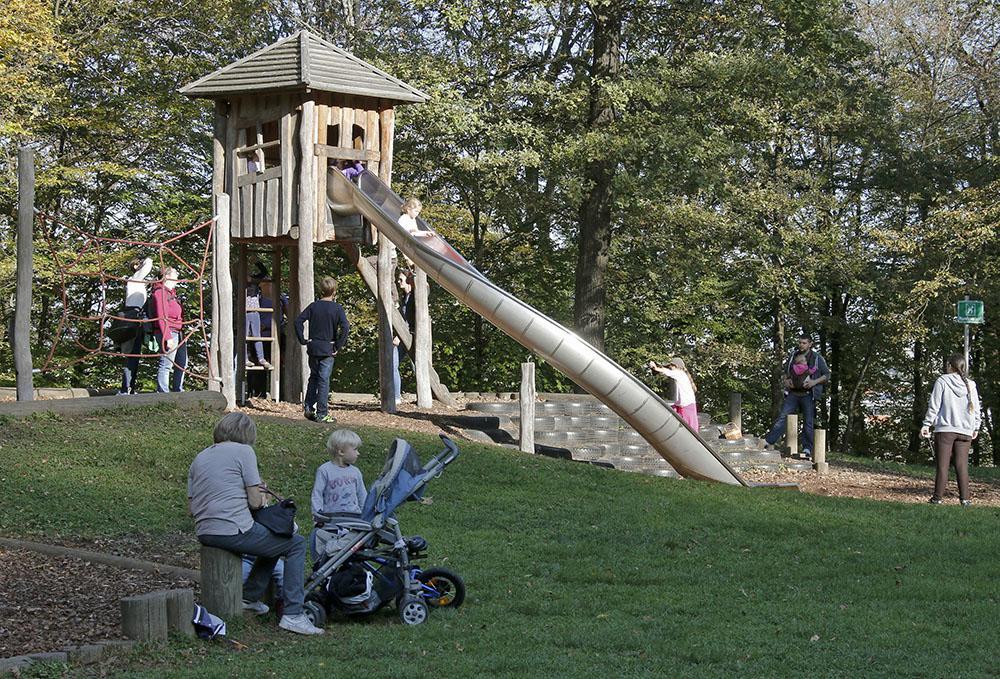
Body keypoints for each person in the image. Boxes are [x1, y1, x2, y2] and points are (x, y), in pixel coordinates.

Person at [188, 413, 323, 635]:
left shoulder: (199, 458)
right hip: (233, 529)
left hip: (205, 531)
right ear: (247, 434)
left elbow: (191, 508)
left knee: (272, 542)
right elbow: (255, 502)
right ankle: (293, 614)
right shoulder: (244, 451)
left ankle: (250, 596)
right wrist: (263, 496)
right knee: (295, 543)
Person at [920, 354, 982, 506]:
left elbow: (934, 405)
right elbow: (976, 408)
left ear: (950, 366)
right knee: (962, 465)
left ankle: (937, 498)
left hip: (945, 429)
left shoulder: (942, 381)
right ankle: (965, 499)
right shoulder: (971, 384)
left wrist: (927, 424)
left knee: (943, 465)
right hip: (966, 430)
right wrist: (976, 426)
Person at [763, 333, 831, 460]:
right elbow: (785, 372)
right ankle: (768, 442)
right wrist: (786, 381)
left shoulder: (817, 358)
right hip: (793, 393)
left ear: (810, 344)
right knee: (783, 417)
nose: (801, 345)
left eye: (804, 343)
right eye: (800, 342)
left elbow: (827, 375)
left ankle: (807, 449)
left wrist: (813, 382)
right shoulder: (793, 356)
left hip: (808, 394)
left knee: (808, 422)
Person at [295, 277, 350, 423]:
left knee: (313, 377)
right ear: (334, 291)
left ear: (321, 290)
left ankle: (308, 408)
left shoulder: (313, 306)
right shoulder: (337, 308)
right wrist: (338, 345)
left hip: (313, 347)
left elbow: (298, 321)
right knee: (323, 380)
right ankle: (322, 413)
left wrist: (303, 339)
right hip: (328, 348)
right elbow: (345, 327)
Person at [310, 429, 366, 558]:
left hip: (353, 519)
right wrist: (318, 515)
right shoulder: (325, 470)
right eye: (355, 449)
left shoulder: (356, 472)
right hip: (332, 520)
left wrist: (365, 514)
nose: (358, 453)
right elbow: (317, 494)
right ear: (341, 451)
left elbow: (362, 494)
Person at [148, 266, 188, 393]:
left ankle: (178, 390)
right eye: (175, 273)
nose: (178, 275)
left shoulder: (172, 294)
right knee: (166, 363)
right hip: (168, 331)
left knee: (182, 362)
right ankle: (163, 392)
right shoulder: (160, 292)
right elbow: (162, 316)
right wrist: (167, 337)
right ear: (168, 276)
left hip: (178, 332)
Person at [118, 256, 152, 394]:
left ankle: (130, 388)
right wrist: (145, 259)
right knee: (132, 354)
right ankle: (125, 389)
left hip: (137, 319)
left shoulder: (138, 282)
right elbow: (149, 263)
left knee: (135, 355)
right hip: (132, 318)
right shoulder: (135, 278)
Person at [648, 357, 699, 430]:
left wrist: (655, 368)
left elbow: (667, 372)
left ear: (676, 366)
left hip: (686, 407)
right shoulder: (681, 374)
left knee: (689, 428)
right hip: (682, 406)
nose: (670, 368)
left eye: (671, 366)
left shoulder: (680, 374)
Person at [391, 269, 416, 406]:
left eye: (401, 279)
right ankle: (396, 396)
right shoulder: (404, 298)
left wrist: (400, 336)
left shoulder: (415, 296)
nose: (398, 281)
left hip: (412, 336)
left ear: (408, 281)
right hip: (402, 335)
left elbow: (410, 321)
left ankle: (424, 396)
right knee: (392, 364)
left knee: (417, 367)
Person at [245, 264, 272, 370]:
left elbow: (265, 272)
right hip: (244, 312)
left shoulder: (254, 281)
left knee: (257, 336)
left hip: (255, 311)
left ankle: (261, 359)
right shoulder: (239, 282)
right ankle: (245, 358)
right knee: (245, 336)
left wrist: (257, 262)